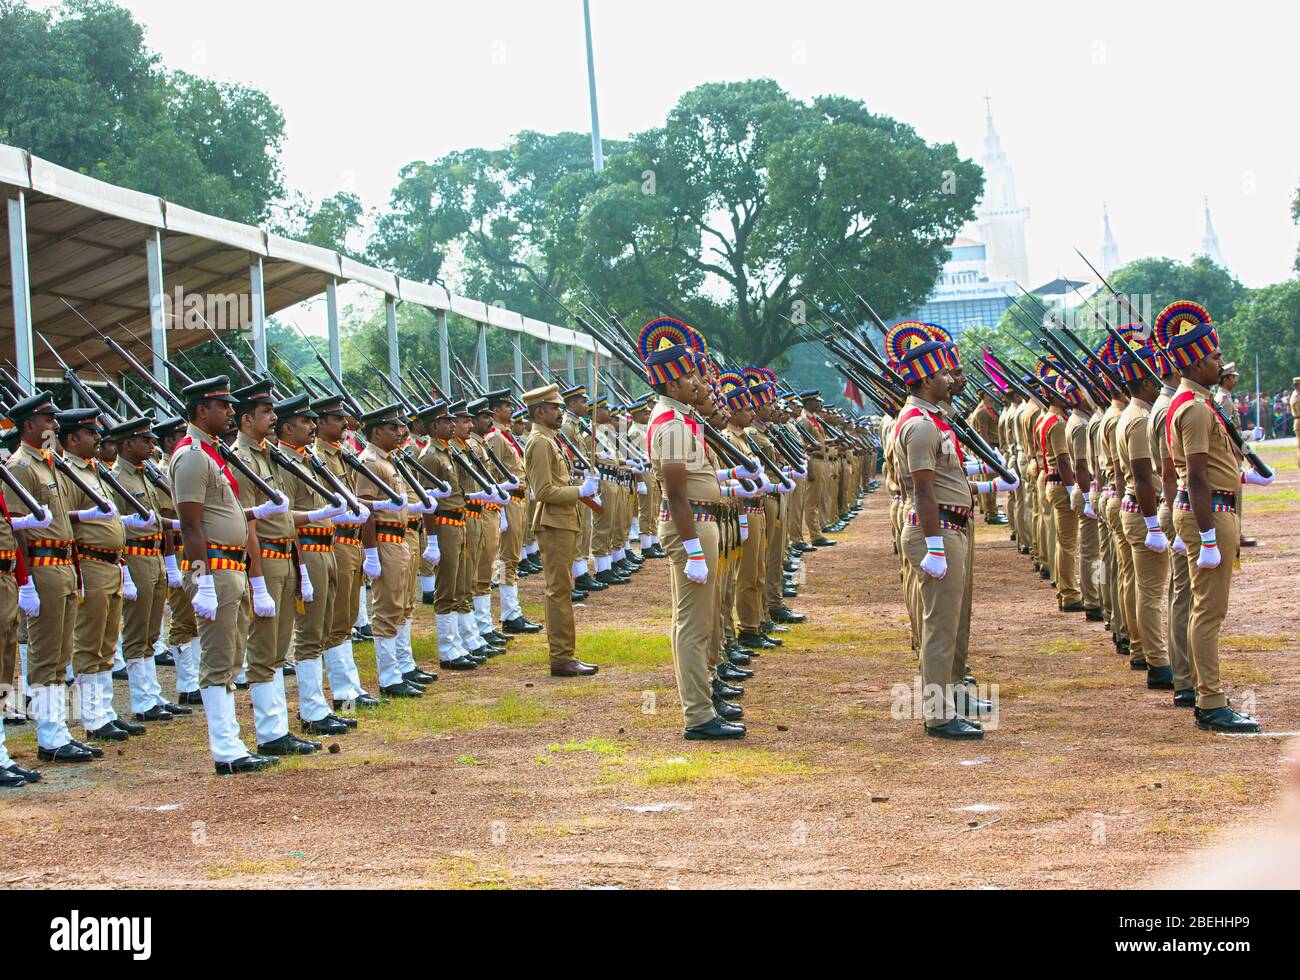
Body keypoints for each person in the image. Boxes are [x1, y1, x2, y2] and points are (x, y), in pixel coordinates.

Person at [1157, 300, 1268, 733]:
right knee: (1208, 611)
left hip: (1213, 507)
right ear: (1199, 361)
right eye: (1216, 357)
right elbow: (1198, 477)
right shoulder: (1196, 407)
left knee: (1206, 608)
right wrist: (1205, 536)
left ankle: (1207, 694)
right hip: (1209, 510)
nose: (1220, 363)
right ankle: (1211, 701)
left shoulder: (1194, 402)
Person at [640, 319, 747, 740]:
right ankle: (698, 715)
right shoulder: (669, 423)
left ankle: (704, 701)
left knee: (701, 623)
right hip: (692, 525)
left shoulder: (682, 420)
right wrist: (694, 550)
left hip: (703, 521)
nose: (696, 382)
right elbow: (678, 494)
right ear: (670, 383)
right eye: (686, 376)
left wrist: (733, 480)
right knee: (693, 625)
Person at [168, 377, 279, 774]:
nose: (232, 412)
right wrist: (201, 582)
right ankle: (226, 751)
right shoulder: (192, 456)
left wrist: (254, 515)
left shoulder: (212, 453)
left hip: (232, 567)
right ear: (202, 411)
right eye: (224, 406)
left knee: (231, 657)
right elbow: (190, 525)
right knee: (217, 660)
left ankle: (234, 742)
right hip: (214, 569)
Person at [885, 323, 983, 740]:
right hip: (935, 529)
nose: (951, 378)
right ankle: (938, 713)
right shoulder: (921, 425)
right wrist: (937, 548)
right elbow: (923, 490)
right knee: (939, 625)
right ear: (926, 379)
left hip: (947, 525)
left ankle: (948, 699)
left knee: (952, 620)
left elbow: (944, 480)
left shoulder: (931, 420)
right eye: (944, 373)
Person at [230, 380, 322, 757]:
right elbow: (248, 523)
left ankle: (279, 727)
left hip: (285, 556)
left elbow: (282, 515)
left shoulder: (268, 456)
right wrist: (256, 578)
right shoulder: (242, 458)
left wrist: (317, 516)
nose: (273, 418)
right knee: (265, 647)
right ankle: (269, 732)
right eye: (267, 412)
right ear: (247, 419)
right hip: (264, 558)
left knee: (280, 645)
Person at [111, 416, 191, 724]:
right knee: (136, 630)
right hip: (134, 556)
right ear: (128, 443)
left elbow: (158, 520)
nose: (151, 444)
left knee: (150, 630)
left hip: (154, 556)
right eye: (145, 439)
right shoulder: (117, 476)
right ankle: (142, 700)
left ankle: (152, 694)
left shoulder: (145, 474)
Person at [522, 384, 600, 678]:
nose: (560, 412)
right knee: (559, 590)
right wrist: (579, 492)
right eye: (555, 408)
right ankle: (561, 656)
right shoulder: (540, 442)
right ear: (539, 411)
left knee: (563, 588)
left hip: (562, 521)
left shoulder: (549, 439)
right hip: (553, 522)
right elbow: (543, 490)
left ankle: (565, 654)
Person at [352, 403, 427, 695]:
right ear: (376, 431)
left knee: (402, 606)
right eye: (393, 427)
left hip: (400, 539)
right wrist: (370, 553)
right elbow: (365, 509)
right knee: (386, 610)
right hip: (383, 540)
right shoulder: (370, 461)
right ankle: (389, 677)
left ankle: (402, 666)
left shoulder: (388, 460)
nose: (400, 432)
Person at [1114, 342, 1173, 689]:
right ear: (1147, 384)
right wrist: (1153, 525)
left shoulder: (1132, 415)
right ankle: (1158, 661)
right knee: (1150, 592)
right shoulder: (1138, 420)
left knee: (1139, 586)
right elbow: (1141, 474)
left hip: (1135, 509)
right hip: (1142, 511)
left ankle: (1142, 649)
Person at [487, 390, 540, 634]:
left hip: (518, 500)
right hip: (508, 502)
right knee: (508, 558)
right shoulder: (496, 438)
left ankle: (513, 610)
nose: (511, 409)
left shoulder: (505, 436)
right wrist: (500, 510)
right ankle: (510, 613)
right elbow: (493, 475)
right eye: (506, 406)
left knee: (513, 557)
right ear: (496, 411)